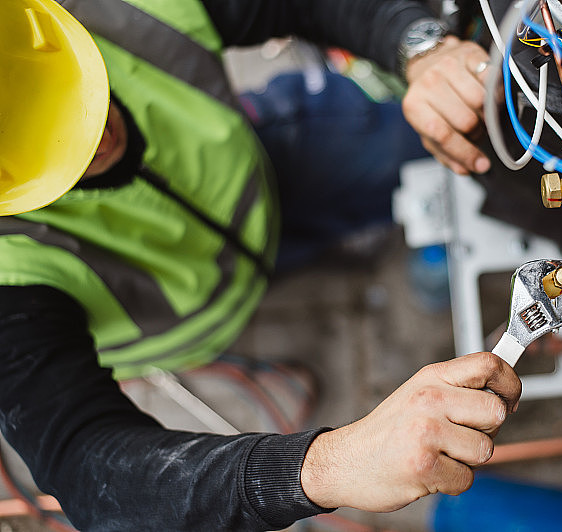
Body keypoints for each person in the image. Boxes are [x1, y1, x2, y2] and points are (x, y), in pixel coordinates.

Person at [0, 0, 519, 530]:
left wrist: (420, 47)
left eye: (79, 90)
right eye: (66, 151)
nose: (102, 134)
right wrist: (324, 468)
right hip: (202, 319)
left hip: (264, 167)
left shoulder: (108, 10)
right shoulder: (8, 279)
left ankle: (415, 238)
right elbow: (89, 469)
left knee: (481, 119)